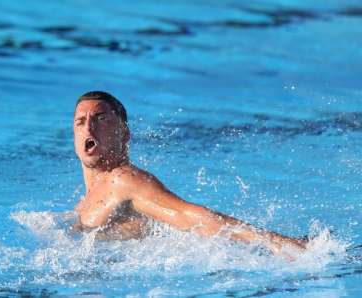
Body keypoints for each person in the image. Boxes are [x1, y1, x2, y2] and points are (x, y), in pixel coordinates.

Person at [72, 91, 307, 258]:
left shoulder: (124, 180)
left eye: (101, 119)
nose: (89, 128)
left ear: (124, 134)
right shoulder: (84, 203)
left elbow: (189, 216)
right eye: (81, 122)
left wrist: (274, 240)